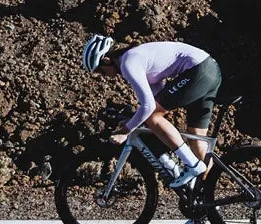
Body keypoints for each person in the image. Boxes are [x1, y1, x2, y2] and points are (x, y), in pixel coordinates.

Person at [82, 34, 221, 190]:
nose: (103, 76)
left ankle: (192, 165)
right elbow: (157, 97)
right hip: (209, 69)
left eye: (100, 71)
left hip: (198, 70)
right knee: (197, 140)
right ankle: (206, 201)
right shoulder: (137, 58)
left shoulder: (128, 63)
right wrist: (133, 121)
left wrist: (126, 130)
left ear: (106, 60)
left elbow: (149, 107)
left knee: (154, 116)